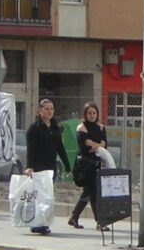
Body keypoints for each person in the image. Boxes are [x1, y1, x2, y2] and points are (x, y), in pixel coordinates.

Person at [25, 98, 71, 235]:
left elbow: (60, 148)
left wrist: (67, 166)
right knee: (40, 197)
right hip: (38, 167)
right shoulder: (34, 128)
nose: (50, 111)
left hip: (51, 167)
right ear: (40, 111)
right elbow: (31, 149)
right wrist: (30, 166)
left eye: (52, 109)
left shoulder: (55, 128)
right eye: (46, 109)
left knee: (47, 196)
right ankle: (39, 224)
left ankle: (41, 223)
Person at [68, 101, 108, 230]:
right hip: (85, 165)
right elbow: (85, 149)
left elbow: (105, 144)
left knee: (90, 193)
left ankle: (74, 217)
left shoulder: (101, 127)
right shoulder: (81, 128)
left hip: (97, 164)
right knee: (93, 192)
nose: (92, 115)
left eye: (94, 113)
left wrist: (94, 145)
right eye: (89, 113)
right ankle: (99, 221)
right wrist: (98, 145)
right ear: (85, 114)